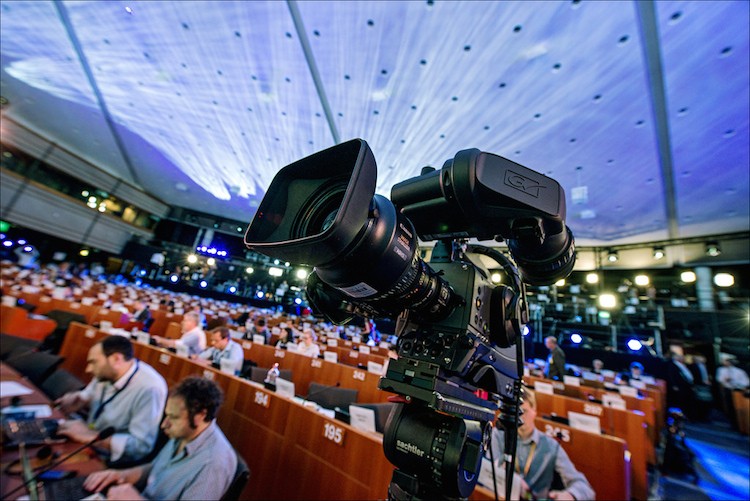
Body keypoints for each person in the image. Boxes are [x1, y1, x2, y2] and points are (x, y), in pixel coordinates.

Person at [84, 376, 237, 500]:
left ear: (201, 415)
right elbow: (156, 470)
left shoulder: (214, 463)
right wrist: (120, 475)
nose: (164, 425)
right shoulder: (185, 432)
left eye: (174, 418)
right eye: (167, 415)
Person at [54, 336, 167, 464]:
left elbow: (141, 446)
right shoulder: (107, 373)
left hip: (110, 460)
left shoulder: (150, 388)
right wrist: (77, 400)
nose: (88, 369)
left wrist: (90, 435)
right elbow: (87, 396)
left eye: (93, 362)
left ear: (115, 359)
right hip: (89, 443)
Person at [489, 389, 594, 500]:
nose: (520, 418)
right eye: (516, 413)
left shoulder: (551, 446)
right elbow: (488, 470)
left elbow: (584, 487)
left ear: (535, 411)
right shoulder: (498, 435)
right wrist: (513, 481)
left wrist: (571, 495)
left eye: (524, 411)